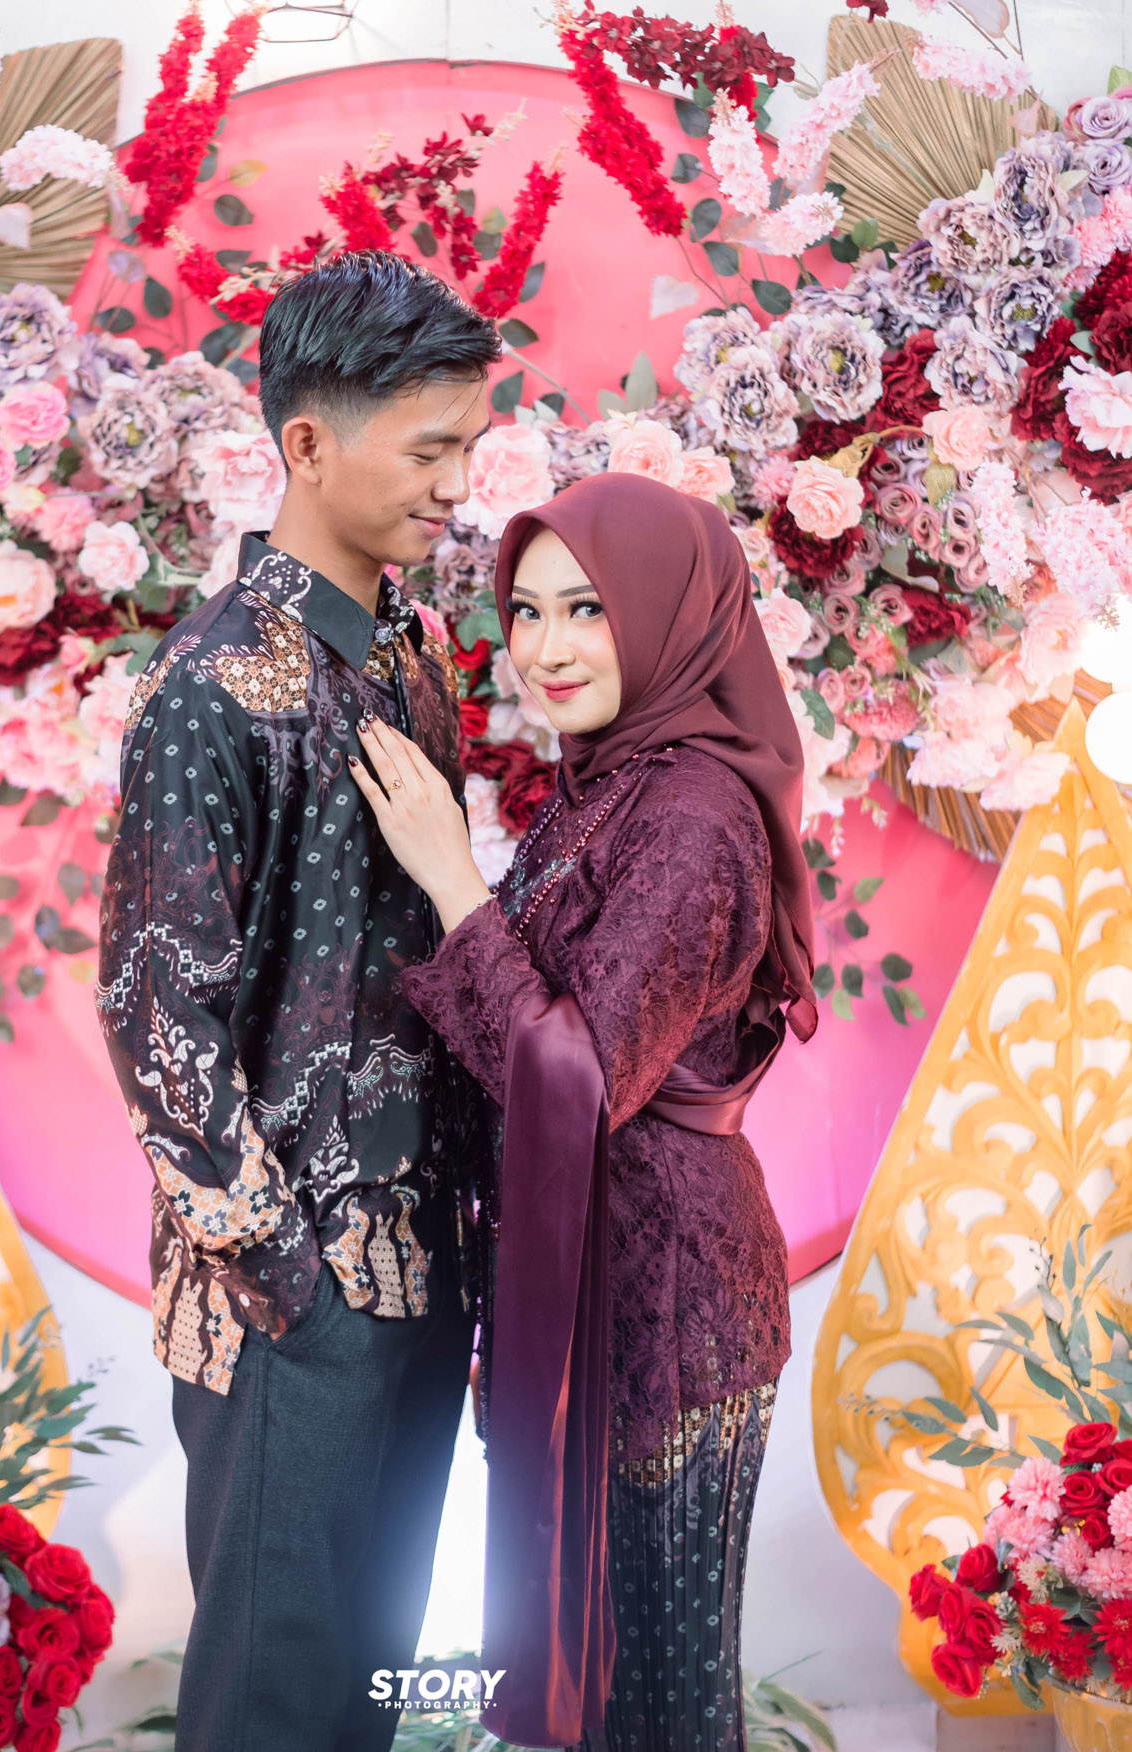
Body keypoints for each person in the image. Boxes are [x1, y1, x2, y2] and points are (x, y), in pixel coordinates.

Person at [96, 250, 503, 1752]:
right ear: (309, 443)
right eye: (431, 449)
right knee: (272, 1704)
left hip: (423, 1265)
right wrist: (290, 1279)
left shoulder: (408, 662)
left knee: (368, 1694)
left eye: (470, 446)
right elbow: (155, 1014)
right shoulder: (209, 687)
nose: (457, 486)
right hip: (292, 1297)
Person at [349, 471, 818, 1752]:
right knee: (608, 1698)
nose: (547, 648)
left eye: (588, 609)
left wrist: (452, 876)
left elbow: (580, 1076)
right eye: (529, 610)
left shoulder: (692, 815)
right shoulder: (611, 782)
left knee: (657, 1704)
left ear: (669, 611)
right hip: (596, 1282)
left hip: (664, 1304)